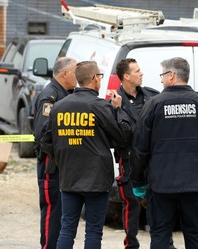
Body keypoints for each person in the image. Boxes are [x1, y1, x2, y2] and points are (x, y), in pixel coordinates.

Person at [131, 57, 198, 249]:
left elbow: (140, 147)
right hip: (197, 185)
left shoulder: (154, 105)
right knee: (197, 236)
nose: (161, 80)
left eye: (163, 75)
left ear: (171, 75)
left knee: (160, 236)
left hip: (162, 185)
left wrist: (138, 181)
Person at [40, 61, 132, 249]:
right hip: (97, 179)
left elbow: (46, 140)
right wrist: (118, 110)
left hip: (69, 177)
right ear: (93, 79)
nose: (100, 80)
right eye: (100, 76)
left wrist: (62, 157)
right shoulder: (100, 106)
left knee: (67, 229)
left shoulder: (58, 107)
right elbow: (122, 137)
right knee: (93, 231)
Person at [33, 57, 77, 249]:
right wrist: (62, 155)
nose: (78, 77)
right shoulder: (50, 96)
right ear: (64, 73)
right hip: (52, 167)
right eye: (76, 72)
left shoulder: (66, 93)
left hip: (64, 167)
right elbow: (43, 135)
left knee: (63, 216)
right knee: (53, 213)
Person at [114, 58, 158, 249]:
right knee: (131, 204)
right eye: (137, 71)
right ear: (126, 76)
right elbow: (119, 133)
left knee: (158, 203)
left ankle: (163, 242)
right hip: (129, 159)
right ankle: (131, 244)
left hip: (153, 160)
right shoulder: (115, 101)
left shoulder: (152, 96)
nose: (142, 73)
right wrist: (117, 110)